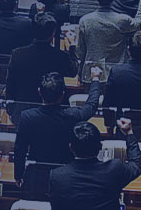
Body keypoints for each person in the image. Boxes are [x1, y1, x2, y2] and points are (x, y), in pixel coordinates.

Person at [14, 69, 102, 199]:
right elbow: (92, 105)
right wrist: (95, 79)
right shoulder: (73, 115)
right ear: (62, 94)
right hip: (67, 176)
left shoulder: (27, 117)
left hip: (37, 177)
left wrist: (18, 175)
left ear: (39, 92)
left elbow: (19, 150)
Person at [6, 13, 77, 118]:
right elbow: (73, 71)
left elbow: (10, 84)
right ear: (52, 34)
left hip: (23, 111)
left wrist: (11, 109)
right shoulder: (61, 56)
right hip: (53, 114)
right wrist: (72, 46)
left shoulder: (17, 54)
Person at [76, 0, 141, 77]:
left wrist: (80, 70)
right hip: (118, 73)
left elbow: (81, 51)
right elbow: (139, 23)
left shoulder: (85, 20)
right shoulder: (122, 20)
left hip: (91, 73)